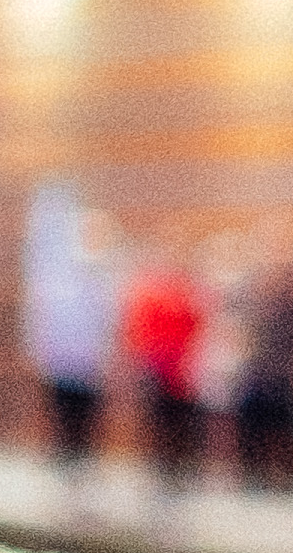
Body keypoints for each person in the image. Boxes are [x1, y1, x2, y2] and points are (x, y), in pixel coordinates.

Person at [23, 196, 116, 471]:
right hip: (62, 357)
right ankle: (64, 461)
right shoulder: (60, 269)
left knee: (86, 419)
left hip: (92, 360)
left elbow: (109, 317)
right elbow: (47, 312)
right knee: (62, 414)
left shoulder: (107, 269)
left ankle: (82, 463)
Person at [120, 242, 211, 491]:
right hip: (159, 369)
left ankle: (182, 470)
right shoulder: (154, 293)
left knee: (184, 424)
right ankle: (160, 470)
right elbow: (141, 329)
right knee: (159, 423)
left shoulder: (191, 293)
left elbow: (199, 329)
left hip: (184, 372)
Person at [232, 243, 293, 494]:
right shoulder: (253, 297)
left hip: (283, 378)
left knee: (290, 432)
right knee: (251, 430)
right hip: (255, 375)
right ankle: (252, 481)